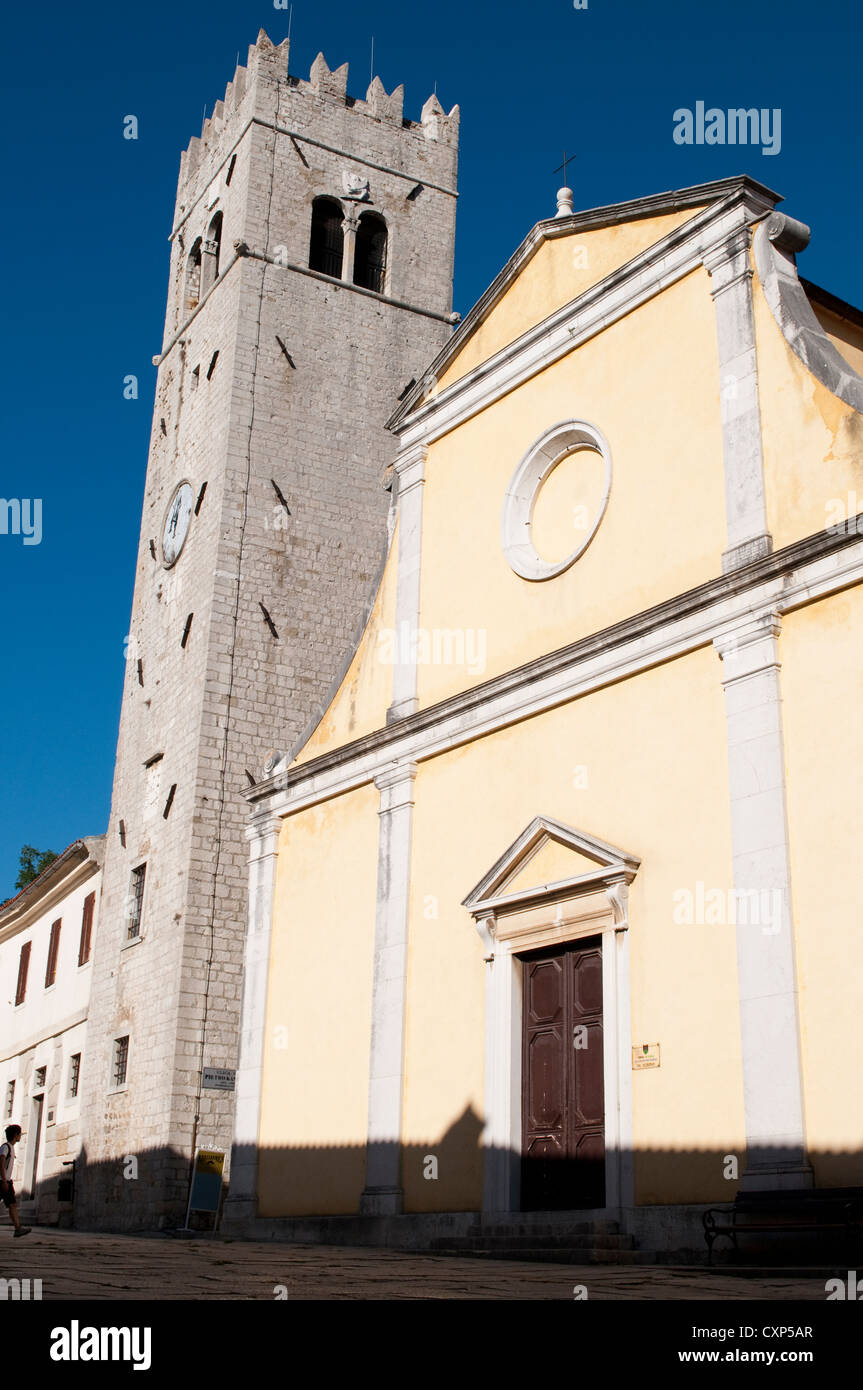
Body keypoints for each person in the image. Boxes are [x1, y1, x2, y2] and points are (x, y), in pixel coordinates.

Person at [0, 1125, 32, 1237]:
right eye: (20, 1134)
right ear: (15, 1135)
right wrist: (4, 1181)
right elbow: (1, 1163)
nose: (20, 1136)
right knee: (12, 1204)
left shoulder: (10, 1147)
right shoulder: (5, 1147)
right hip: (2, 1181)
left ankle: (18, 1228)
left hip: (6, 1181)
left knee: (12, 1204)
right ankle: (18, 1228)